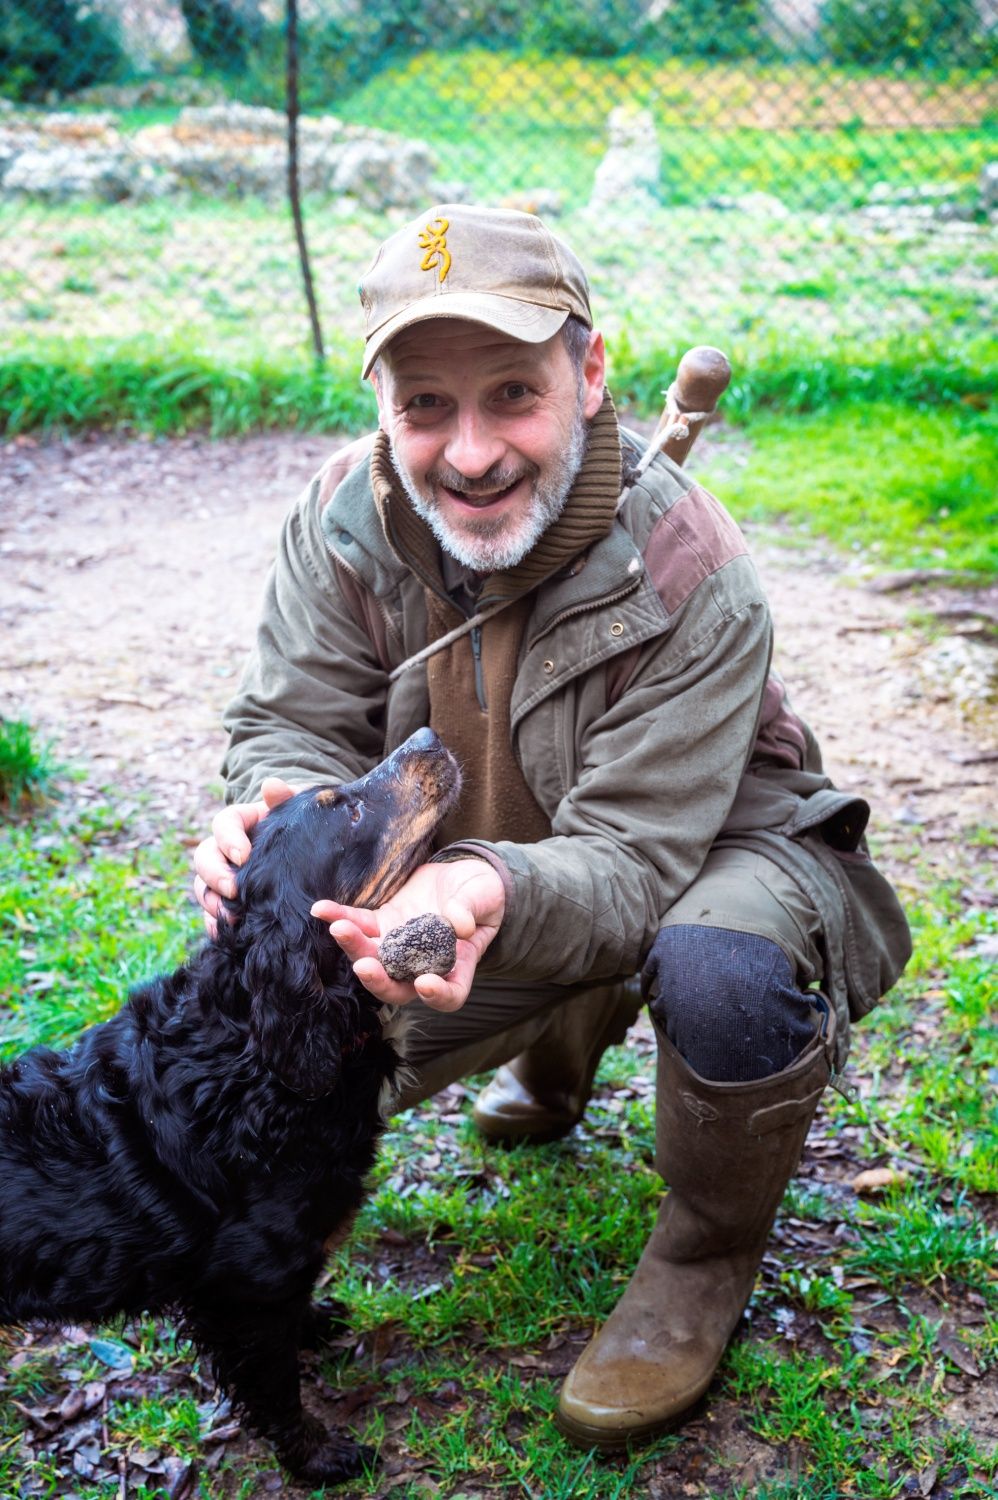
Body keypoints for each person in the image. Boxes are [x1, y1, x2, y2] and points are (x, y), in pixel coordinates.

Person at [194, 204, 910, 1450]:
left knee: (713, 965)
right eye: (424, 406)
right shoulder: (338, 524)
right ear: (380, 406)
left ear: (589, 374)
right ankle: (557, 1037)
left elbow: (633, 857)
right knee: (293, 995)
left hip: (706, 847)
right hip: (481, 877)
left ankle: (703, 1252)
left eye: (512, 394)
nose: (468, 453)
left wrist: (477, 888)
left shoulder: (693, 565)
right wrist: (268, 809)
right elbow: (289, 725)